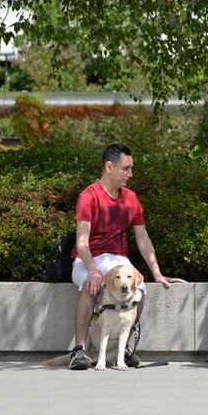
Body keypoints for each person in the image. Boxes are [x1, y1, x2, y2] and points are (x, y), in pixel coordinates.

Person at [68, 143, 186, 370]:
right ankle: (79, 350)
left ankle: (124, 349)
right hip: (87, 258)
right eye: (126, 168)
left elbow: (143, 239)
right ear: (109, 166)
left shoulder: (131, 198)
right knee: (90, 285)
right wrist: (93, 269)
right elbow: (81, 242)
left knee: (140, 290)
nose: (130, 174)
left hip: (118, 260)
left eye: (131, 169)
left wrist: (157, 273)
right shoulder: (89, 196)